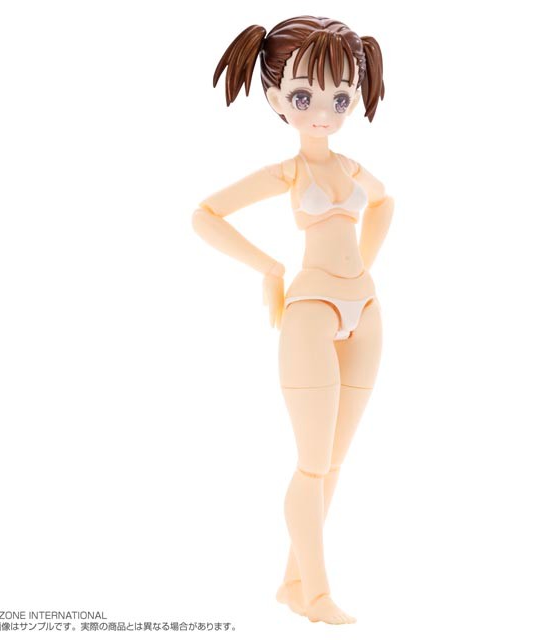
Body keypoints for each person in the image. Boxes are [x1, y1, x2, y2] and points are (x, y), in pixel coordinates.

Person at [192, 15, 394, 625]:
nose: (323, 113)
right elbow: (206, 215)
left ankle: (291, 583)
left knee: (333, 464)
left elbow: (385, 202)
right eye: (304, 97)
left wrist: (363, 265)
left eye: (341, 97)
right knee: (312, 464)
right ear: (277, 99)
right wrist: (270, 268)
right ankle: (318, 594)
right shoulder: (289, 172)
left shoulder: (351, 169)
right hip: (309, 312)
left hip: (366, 309)